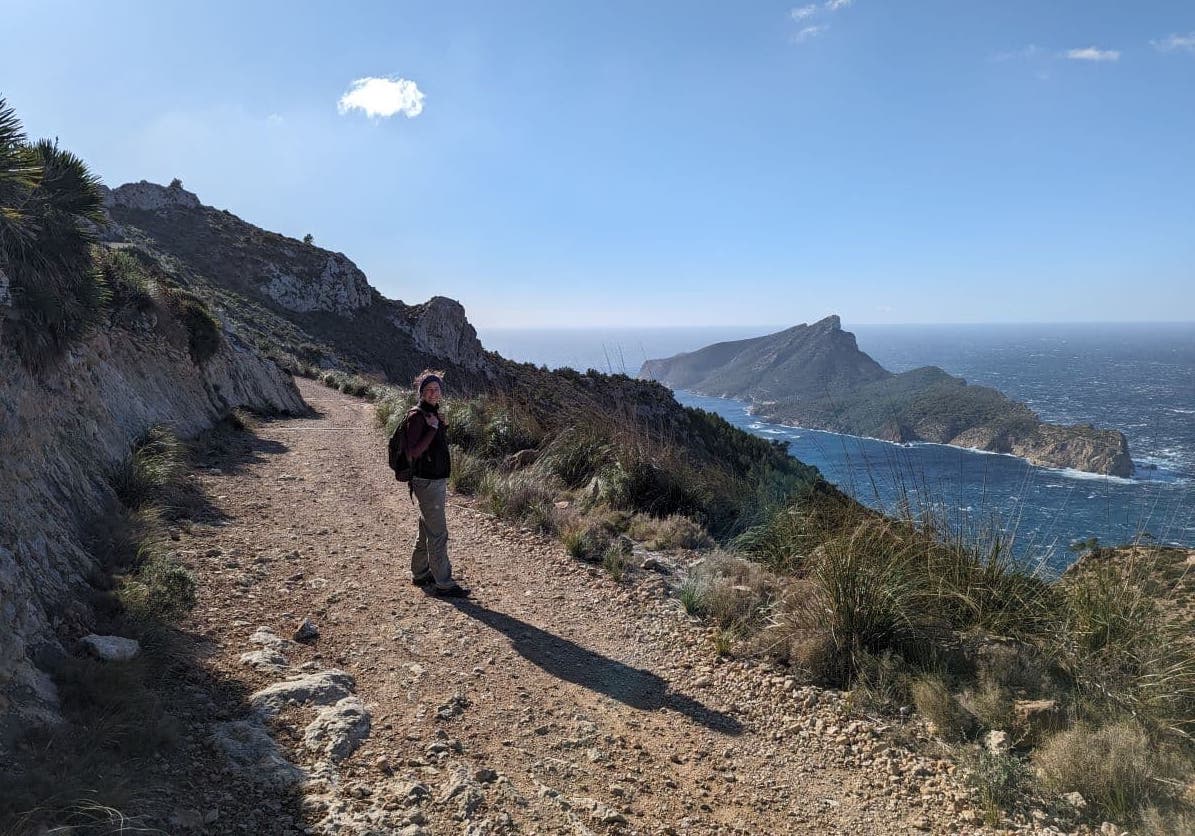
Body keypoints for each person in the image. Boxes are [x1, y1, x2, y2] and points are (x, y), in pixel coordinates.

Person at [404, 370, 470, 597]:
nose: (433, 393)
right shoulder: (417, 416)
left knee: (427, 528)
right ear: (421, 392)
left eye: (437, 389)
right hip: (428, 481)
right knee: (439, 533)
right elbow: (414, 451)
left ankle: (420, 572)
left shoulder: (432, 414)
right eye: (429, 389)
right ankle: (444, 582)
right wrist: (433, 429)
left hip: (434, 479)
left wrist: (440, 427)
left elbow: (433, 446)